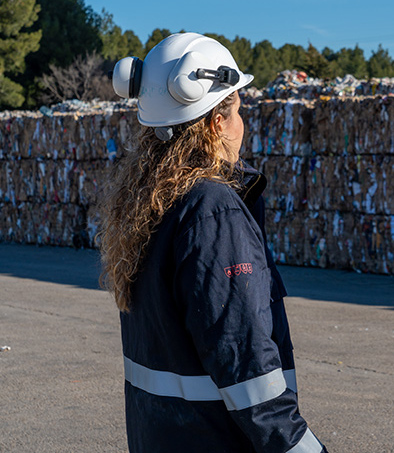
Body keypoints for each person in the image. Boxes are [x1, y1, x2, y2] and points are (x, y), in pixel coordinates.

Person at [97, 32, 327, 453]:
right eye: (237, 109)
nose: (242, 124)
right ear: (216, 122)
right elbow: (245, 362)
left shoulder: (152, 201)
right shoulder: (212, 210)